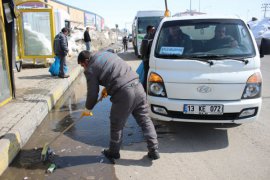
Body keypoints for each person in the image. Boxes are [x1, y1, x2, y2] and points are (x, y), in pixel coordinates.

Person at [78, 50, 160, 161]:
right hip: (138, 86)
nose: (84, 68)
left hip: (124, 93)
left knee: (116, 123)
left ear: (86, 61)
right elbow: (114, 71)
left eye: (83, 65)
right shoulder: (105, 54)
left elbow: (92, 94)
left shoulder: (90, 68)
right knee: (145, 120)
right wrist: (107, 88)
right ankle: (154, 150)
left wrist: (88, 108)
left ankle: (113, 152)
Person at [140, 25, 156, 91]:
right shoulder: (149, 38)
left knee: (148, 75)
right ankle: (146, 90)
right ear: (149, 30)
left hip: (147, 60)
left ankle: (146, 89)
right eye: (152, 30)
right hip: (148, 60)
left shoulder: (146, 37)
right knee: (147, 75)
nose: (154, 31)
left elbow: (141, 51)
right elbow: (143, 50)